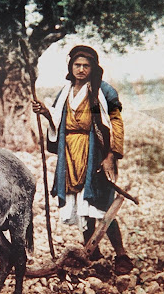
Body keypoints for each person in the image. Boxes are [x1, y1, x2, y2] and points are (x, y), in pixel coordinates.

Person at [32, 45, 133, 275]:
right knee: (81, 204)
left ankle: (121, 255)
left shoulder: (103, 90)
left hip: (95, 153)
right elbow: (57, 119)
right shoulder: (66, 90)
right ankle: (92, 252)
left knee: (102, 203)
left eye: (86, 65)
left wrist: (111, 155)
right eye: (77, 65)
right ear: (71, 66)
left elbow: (115, 121)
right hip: (70, 153)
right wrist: (45, 112)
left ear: (93, 67)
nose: (81, 69)